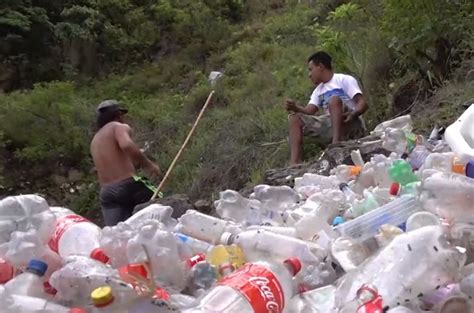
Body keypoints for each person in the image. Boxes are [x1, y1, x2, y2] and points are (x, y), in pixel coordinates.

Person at [286, 51, 368, 165]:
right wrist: (295, 107)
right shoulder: (318, 90)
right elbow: (309, 111)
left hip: (350, 122)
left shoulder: (343, 79)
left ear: (320, 67)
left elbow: (362, 102)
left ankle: (336, 144)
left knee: (334, 100)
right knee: (294, 118)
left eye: (311, 69)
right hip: (330, 124)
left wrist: (353, 114)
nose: (309, 74)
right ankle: (294, 163)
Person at [90, 100, 163, 226]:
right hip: (128, 185)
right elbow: (127, 144)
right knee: (164, 208)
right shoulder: (117, 126)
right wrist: (148, 165)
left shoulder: (95, 140)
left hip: (107, 193)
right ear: (118, 114)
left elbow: (114, 161)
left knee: (119, 233)